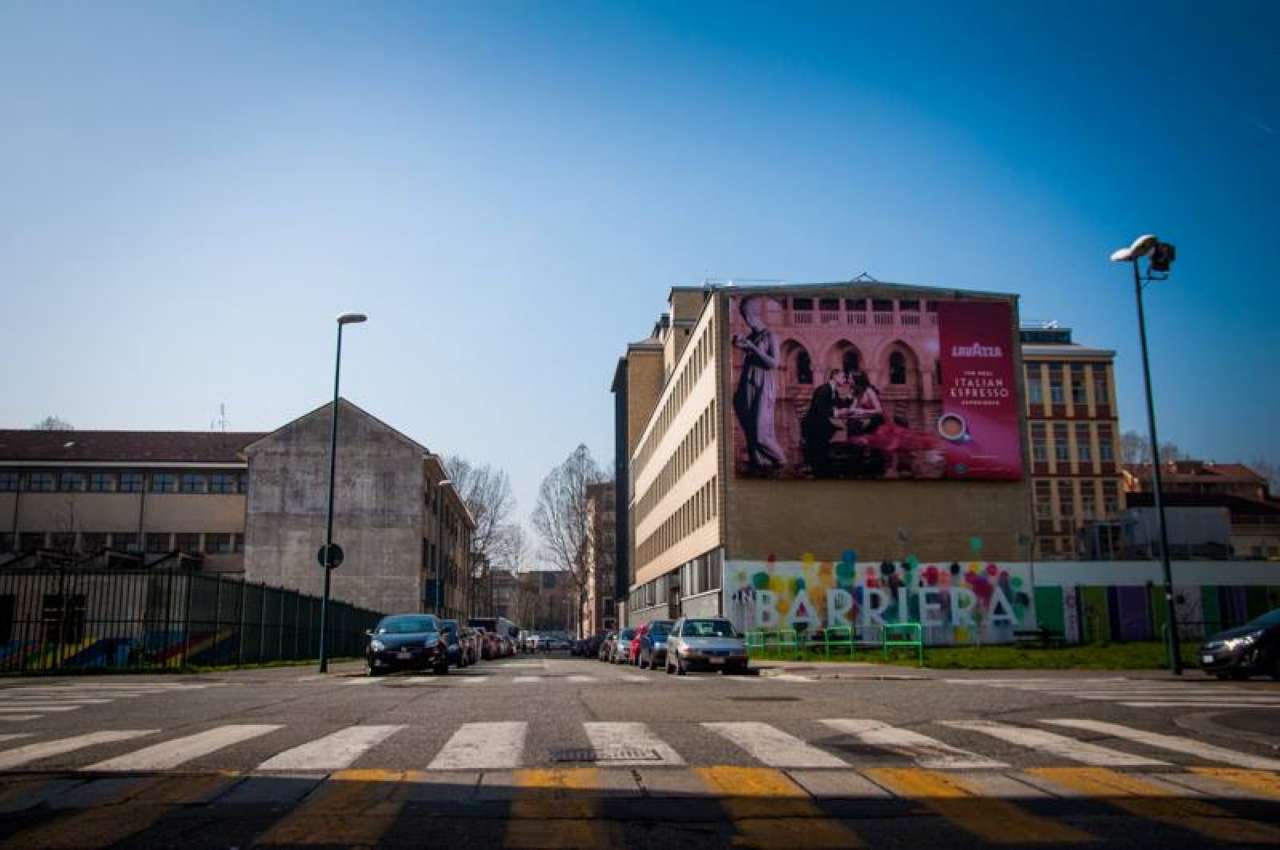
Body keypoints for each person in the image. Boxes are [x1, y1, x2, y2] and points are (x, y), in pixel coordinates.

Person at [732, 297, 786, 473]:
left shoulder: (769, 335)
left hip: (763, 384)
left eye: (748, 316)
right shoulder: (751, 336)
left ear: (756, 314)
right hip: (747, 383)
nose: (747, 320)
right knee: (749, 430)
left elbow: (773, 363)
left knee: (761, 435)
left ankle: (782, 462)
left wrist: (752, 348)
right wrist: (742, 345)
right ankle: (760, 465)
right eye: (744, 316)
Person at [801, 369, 851, 477]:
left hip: (821, 424)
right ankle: (822, 471)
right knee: (838, 434)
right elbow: (821, 409)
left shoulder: (833, 390)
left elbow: (839, 405)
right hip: (814, 426)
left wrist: (849, 398)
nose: (845, 380)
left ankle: (828, 469)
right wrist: (838, 412)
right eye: (843, 377)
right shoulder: (824, 390)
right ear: (834, 376)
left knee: (841, 430)